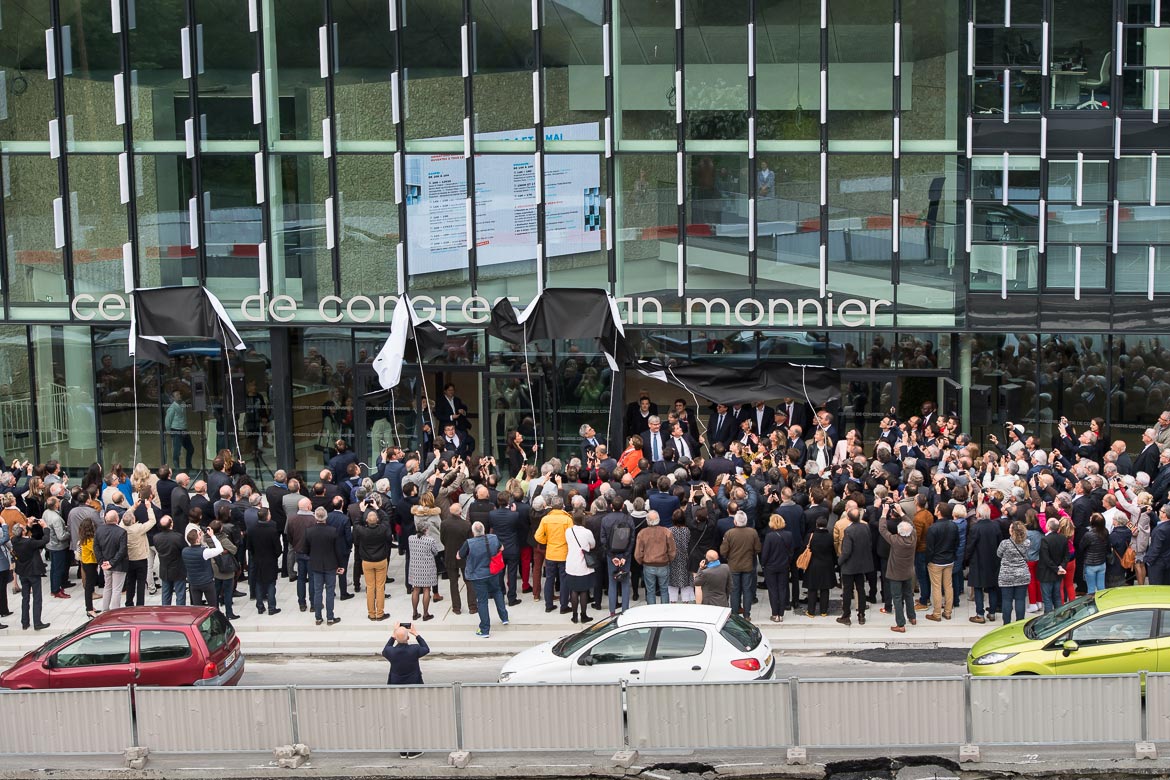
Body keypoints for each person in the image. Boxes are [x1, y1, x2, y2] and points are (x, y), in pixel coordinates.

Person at [382, 623, 429, 761]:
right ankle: (413, 750)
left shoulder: (391, 652)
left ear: (396, 639)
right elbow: (426, 648)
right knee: (413, 719)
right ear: (408, 638)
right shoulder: (414, 650)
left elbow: (385, 650)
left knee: (400, 719)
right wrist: (416, 634)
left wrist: (393, 634)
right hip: (413, 688)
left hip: (396, 688)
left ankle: (402, 750)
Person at [457, 521, 509, 638]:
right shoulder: (493, 538)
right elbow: (502, 548)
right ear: (484, 530)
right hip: (493, 572)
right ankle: (504, 617)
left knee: (482, 601)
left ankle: (485, 629)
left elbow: (459, 556)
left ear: (473, 532)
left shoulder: (469, 543)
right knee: (497, 592)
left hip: (477, 575)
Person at [305, 508, 345, 626]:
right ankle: (330, 617)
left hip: (316, 564)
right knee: (330, 591)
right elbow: (338, 550)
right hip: (331, 565)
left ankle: (318, 617)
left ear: (315, 517)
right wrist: (340, 565)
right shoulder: (333, 531)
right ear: (326, 517)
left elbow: (306, 549)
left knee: (317, 591)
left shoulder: (309, 531)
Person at [878, 511, 917, 633]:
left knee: (897, 598)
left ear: (899, 532)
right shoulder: (913, 537)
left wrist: (884, 514)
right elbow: (912, 525)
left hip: (895, 573)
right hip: (908, 572)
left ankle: (900, 624)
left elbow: (882, 529)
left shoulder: (895, 540)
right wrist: (901, 512)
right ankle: (912, 617)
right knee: (908, 595)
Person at [534, 495, 574, 613]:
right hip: (564, 554)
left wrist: (546, 542)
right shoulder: (568, 519)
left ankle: (548, 605)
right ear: (562, 506)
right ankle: (564, 606)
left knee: (549, 579)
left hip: (550, 553)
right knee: (564, 580)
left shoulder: (546, 519)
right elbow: (571, 537)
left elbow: (538, 536)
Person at [965, 503, 1002, 624]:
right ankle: (992, 612)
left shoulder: (975, 528)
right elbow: (1000, 544)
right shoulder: (995, 526)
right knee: (992, 587)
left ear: (979, 514)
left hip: (978, 561)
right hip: (993, 561)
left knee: (978, 587)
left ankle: (980, 614)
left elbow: (970, 546)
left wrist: (965, 560)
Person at [353, 507, 393, 621]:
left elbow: (356, 523)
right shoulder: (382, 528)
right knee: (380, 587)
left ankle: (371, 613)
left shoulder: (362, 530)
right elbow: (386, 519)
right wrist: (378, 508)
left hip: (367, 561)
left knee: (370, 587)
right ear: (377, 520)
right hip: (381, 560)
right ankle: (380, 613)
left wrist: (361, 511)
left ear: (366, 521)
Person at [720, 511, 761, 620]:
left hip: (733, 565)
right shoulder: (753, 532)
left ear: (735, 521)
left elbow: (723, 551)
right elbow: (758, 549)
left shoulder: (729, 533)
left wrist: (729, 557)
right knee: (747, 590)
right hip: (748, 565)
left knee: (734, 590)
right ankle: (747, 615)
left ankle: (734, 614)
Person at [837, 508, 874, 626]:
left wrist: (840, 561)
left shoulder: (848, 531)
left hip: (849, 565)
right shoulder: (866, 527)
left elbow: (846, 551)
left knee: (847, 591)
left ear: (848, 518)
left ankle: (846, 615)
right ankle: (861, 615)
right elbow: (869, 543)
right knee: (861, 589)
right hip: (862, 563)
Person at [11, 521, 50, 631]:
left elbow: (19, 534)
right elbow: (45, 540)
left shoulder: (14, 540)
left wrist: (28, 525)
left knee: (25, 598)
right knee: (37, 597)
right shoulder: (29, 542)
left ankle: (25, 622)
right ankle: (37, 622)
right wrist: (45, 527)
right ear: (23, 532)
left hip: (22, 572)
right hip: (33, 571)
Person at [924, 504, 959, 622]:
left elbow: (929, 548)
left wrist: (928, 560)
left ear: (939, 512)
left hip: (936, 561)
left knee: (937, 587)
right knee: (948, 586)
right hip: (949, 560)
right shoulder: (954, 526)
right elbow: (957, 544)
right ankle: (948, 612)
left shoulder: (933, 528)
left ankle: (937, 613)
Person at [635, 509, 677, 605]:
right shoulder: (666, 532)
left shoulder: (642, 533)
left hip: (648, 565)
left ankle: (651, 612)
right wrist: (669, 560)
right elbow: (672, 550)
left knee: (650, 591)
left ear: (647, 520)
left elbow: (638, 553)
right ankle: (665, 612)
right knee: (664, 590)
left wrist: (642, 562)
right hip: (663, 564)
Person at [247, 508, 283, 615]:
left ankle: (260, 606)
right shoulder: (272, 530)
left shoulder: (252, 529)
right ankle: (271, 607)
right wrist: (275, 556)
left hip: (257, 559)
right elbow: (278, 548)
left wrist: (255, 556)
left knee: (259, 582)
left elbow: (250, 547)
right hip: (270, 560)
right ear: (267, 516)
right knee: (271, 584)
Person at [996, 521, 1032, 624]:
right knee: (1020, 600)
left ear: (1012, 531)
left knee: (1007, 601)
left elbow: (999, 554)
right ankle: (1019, 623)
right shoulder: (1027, 543)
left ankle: (1006, 623)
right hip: (1022, 574)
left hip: (1006, 575)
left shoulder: (1005, 543)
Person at [563, 512, 596, 623]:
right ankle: (583, 615)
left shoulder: (568, 531)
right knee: (583, 591)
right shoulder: (587, 532)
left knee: (573, 590)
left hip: (571, 563)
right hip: (583, 564)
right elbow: (593, 545)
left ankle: (574, 615)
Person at [760, 514, 794, 623]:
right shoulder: (789, 535)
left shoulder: (770, 536)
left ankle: (775, 614)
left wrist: (763, 564)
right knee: (782, 589)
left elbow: (765, 553)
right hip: (783, 565)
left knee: (773, 590)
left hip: (770, 567)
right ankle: (781, 614)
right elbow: (791, 551)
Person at [94, 510, 128, 613]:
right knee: (117, 589)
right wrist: (112, 562)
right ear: (117, 519)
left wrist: (102, 562)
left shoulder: (99, 530)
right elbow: (122, 550)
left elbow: (96, 547)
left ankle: (105, 610)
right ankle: (114, 612)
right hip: (118, 565)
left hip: (105, 564)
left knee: (107, 587)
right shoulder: (122, 532)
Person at [407, 525, 442, 621]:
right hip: (427, 567)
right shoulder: (430, 540)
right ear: (426, 530)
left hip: (415, 567)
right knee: (427, 589)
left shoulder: (410, 538)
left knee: (416, 589)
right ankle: (425, 614)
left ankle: (414, 613)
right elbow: (435, 552)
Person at [804, 516, 836, 617]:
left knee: (812, 589)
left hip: (813, 564)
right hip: (826, 565)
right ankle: (823, 611)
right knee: (825, 589)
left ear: (816, 525)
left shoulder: (810, 536)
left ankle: (811, 611)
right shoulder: (830, 536)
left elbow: (804, 548)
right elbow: (833, 552)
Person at [152, 515, 188, 606]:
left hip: (165, 569)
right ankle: (180, 612)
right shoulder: (178, 537)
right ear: (171, 524)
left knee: (166, 595)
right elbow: (184, 550)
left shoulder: (156, 538)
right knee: (180, 594)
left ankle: (165, 613)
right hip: (178, 569)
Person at [209, 519, 240, 619]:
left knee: (216, 591)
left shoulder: (206, 539)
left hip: (214, 567)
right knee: (227, 592)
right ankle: (229, 612)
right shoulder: (223, 539)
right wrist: (224, 551)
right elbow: (234, 550)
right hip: (226, 567)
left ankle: (216, 612)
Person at [1037, 518, 1070, 613]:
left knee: (1047, 599)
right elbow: (1067, 555)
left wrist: (1057, 569)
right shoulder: (1063, 538)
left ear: (1048, 527)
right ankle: (1059, 618)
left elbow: (1045, 558)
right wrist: (1061, 567)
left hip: (1047, 574)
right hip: (1058, 574)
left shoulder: (1045, 539)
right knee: (1057, 597)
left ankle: (1047, 622)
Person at [1080, 513, 1110, 594]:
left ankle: (1092, 605)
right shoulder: (1105, 532)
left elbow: (1081, 547)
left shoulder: (1088, 535)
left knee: (1091, 589)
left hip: (1090, 564)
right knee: (1101, 587)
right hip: (1102, 563)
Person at [165, 391, 195, 471]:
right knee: (176, 452)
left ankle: (189, 466)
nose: (179, 396)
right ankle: (177, 469)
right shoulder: (172, 408)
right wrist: (170, 432)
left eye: (180, 394)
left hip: (184, 430)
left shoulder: (183, 404)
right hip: (176, 431)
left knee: (191, 449)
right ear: (173, 398)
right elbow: (167, 421)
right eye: (176, 395)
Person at [76, 516, 100, 617]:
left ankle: (90, 607)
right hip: (90, 563)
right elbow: (96, 552)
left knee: (89, 586)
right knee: (89, 587)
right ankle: (89, 609)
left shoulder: (83, 538)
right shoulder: (89, 540)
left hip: (86, 562)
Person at [1146, 505, 1170, 585]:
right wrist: (1151, 513)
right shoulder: (1165, 526)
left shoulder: (1160, 530)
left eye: (1161, 511)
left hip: (1157, 563)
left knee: (1155, 587)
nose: (1159, 512)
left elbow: (1156, 548)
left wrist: (1149, 561)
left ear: (1164, 514)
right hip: (1167, 560)